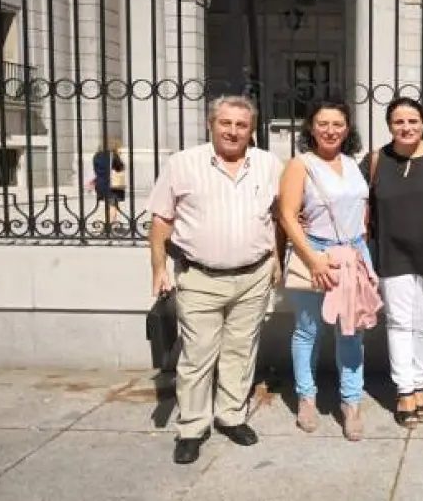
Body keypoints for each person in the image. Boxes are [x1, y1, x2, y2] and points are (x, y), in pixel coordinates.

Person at [147, 95, 284, 465]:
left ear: (251, 130)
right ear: (211, 124)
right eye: (226, 123)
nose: (233, 131)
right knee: (197, 356)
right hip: (200, 278)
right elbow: (160, 220)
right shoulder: (182, 164)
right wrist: (159, 269)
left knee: (241, 351)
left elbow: (276, 216)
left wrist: (275, 258)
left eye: (241, 125)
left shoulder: (268, 164)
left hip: (253, 276)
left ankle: (231, 416)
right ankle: (192, 428)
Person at [277, 98, 375, 441]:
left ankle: (351, 402)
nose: (330, 130)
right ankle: (306, 396)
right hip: (315, 254)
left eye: (337, 124)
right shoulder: (301, 164)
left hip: (353, 253)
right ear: (311, 127)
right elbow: (287, 215)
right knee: (308, 330)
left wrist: (360, 249)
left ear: (347, 129)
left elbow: (361, 210)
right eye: (323, 124)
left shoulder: (353, 164)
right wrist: (313, 259)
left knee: (351, 331)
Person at [360, 97, 423, 428]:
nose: (406, 127)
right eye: (399, 121)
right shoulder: (376, 160)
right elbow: (351, 199)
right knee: (399, 323)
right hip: (392, 252)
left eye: (412, 121)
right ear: (389, 125)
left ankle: (421, 383)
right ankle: (404, 389)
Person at [91, 138, 126, 229]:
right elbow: (120, 167)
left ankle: (109, 224)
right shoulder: (113, 155)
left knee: (107, 205)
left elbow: (96, 169)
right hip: (112, 184)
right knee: (113, 205)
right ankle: (108, 227)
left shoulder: (96, 156)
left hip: (100, 184)